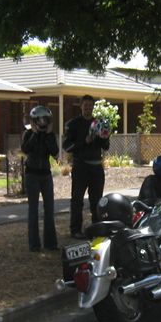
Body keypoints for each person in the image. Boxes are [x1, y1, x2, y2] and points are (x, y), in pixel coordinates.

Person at [63, 95, 110, 239]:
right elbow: (67, 146)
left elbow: (106, 147)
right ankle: (75, 230)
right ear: (81, 106)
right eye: (85, 105)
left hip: (96, 167)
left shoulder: (98, 123)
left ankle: (96, 229)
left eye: (90, 105)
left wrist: (104, 137)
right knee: (77, 200)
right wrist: (84, 141)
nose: (88, 108)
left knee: (97, 201)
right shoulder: (73, 124)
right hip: (81, 167)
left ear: (93, 107)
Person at [21, 106, 59, 252]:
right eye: (39, 120)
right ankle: (34, 244)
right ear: (34, 121)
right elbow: (26, 149)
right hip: (32, 174)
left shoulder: (50, 135)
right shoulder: (28, 133)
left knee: (49, 209)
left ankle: (51, 243)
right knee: (33, 209)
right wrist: (35, 134)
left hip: (46, 174)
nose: (42, 122)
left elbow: (54, 152)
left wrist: (47, 135)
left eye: (45, 120)